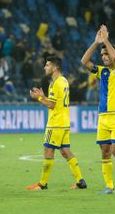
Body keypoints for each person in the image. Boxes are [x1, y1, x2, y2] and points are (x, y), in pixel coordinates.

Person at [81, 25, 115, 194]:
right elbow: (84, 61)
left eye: (107, 54)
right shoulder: (101, 72)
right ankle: (109, 186)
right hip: (103, 116)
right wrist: (96, 42)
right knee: (105, 152)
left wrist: (106, 40)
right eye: (102, 55)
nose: (104, 57)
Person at [26, 56, 87, 190]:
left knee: (48, 151)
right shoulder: (64, 81)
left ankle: (42, 184)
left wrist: (39, 97)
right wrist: (44, 96)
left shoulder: (55, 83)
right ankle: (80, 181)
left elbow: (52, 105)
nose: (44, 67)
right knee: (65, 151)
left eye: (47, 65)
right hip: (64, 122)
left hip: (55, 123)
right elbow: (56, 102)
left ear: (54, 67)